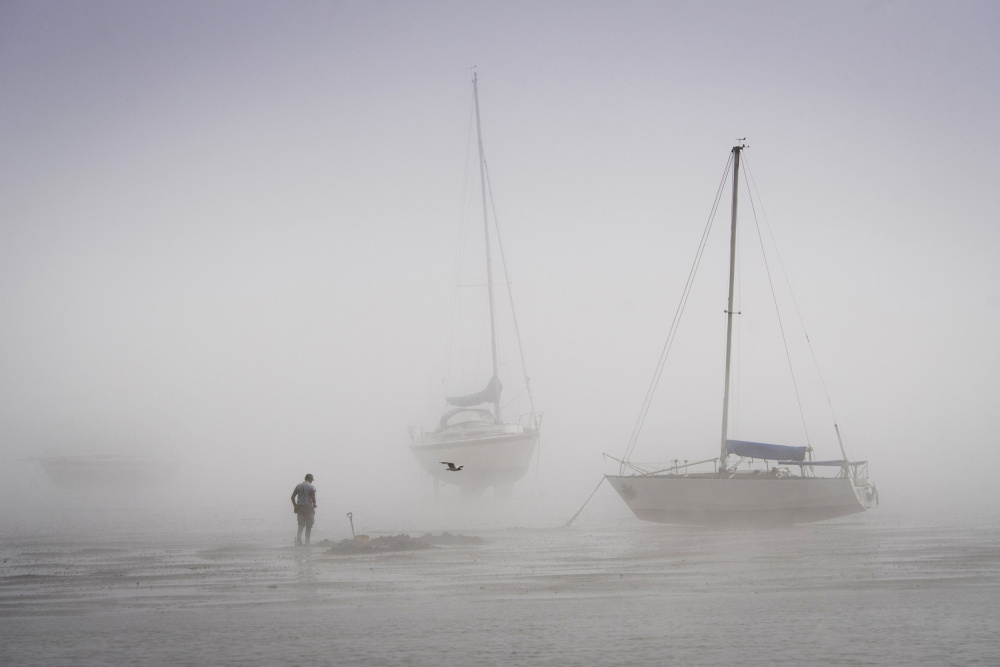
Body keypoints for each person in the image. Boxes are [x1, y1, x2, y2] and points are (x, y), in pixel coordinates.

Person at [290, 473, 317, 546]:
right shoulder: (312, 487)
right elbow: (313, 497)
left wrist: (295, 506)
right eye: (311, 480)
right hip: (308, 507)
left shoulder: (298, 486)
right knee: (309, 525)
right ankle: (307, 542)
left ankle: (298, 540)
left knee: (300, 525)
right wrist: (314, 504)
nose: (311, 481)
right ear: (310, 479)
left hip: (300, 507)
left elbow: (292, 497)